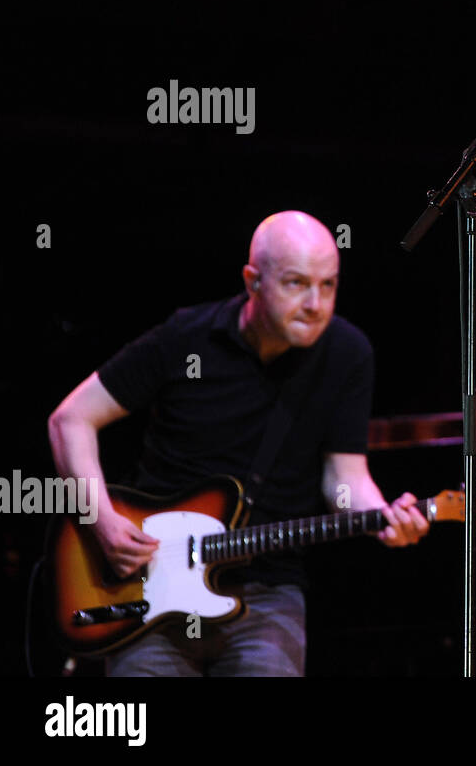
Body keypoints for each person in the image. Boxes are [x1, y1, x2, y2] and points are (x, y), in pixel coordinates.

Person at [47, 210, 429, 676]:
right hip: (144, 585)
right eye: (296, 283)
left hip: (267, 591)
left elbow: (344, 480)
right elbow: (70, 420)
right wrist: (102, 521)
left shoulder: (347, 354)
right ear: (253, 281)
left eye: (328, 285)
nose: (315, 303)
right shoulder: (187, 336)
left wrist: (381, 518)